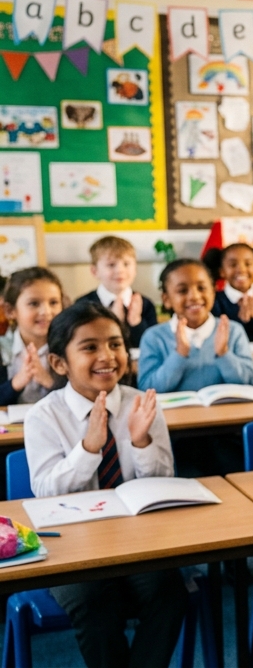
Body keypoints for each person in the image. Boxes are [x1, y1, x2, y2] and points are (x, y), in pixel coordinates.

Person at [25, 301, 188, 668]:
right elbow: (45, 492)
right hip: (72, 546)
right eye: (90, 347)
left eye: (115, 344)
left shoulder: (141, 404)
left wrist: (141, 441)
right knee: (94, 602)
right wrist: (89, 447)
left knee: (169, 593)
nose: (107, 356)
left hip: (138, 539)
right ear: (59, 363)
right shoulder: (43, 417)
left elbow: (163, 484)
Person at [137, 259, 253, 393]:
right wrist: (179, 354)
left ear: (213, 291)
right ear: (166, 299)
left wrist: (224, 354)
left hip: (226, 413)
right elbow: (147, 388)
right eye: (182, 291)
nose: (194, 296)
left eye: (202, 288)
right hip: (174, 414)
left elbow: (251, 381)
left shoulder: (233, 331)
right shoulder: (154, 337)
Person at [76, 236, 158, 348]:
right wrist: (113, 324)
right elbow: (82, 343)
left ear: (135, 269)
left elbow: (152, 346)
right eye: (111, 265)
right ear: (95, 271)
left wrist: (136, 322)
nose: (120, 270)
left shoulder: (146, 304)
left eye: (126, 264)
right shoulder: (83, 305)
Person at [0, 267, 65, 406]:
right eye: (34, 303)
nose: (46, 311)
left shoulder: (68, 347)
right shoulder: (2, 349)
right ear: (11, 311)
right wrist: (15, 384)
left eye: (53, 303)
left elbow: (81, 397)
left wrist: (49, 382)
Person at [207, 243, 253, 341]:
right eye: (233, 265)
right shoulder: (214, 300)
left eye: (248, 264)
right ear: (222, 271)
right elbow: (213, 335)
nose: (241, 269)